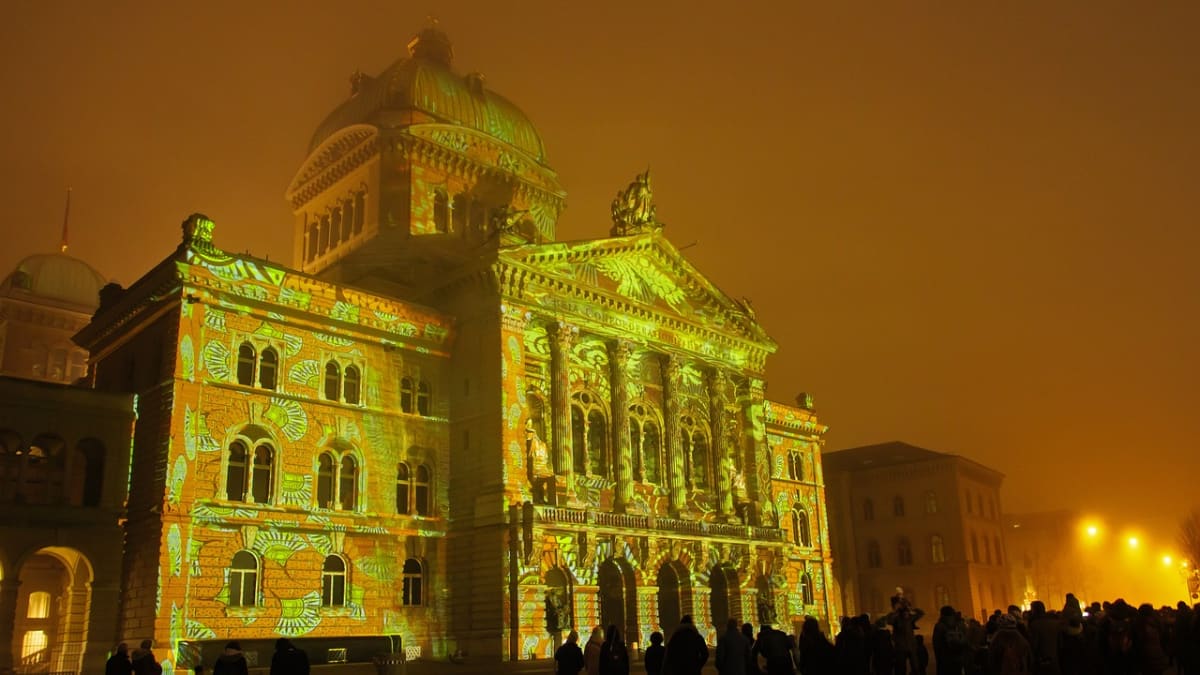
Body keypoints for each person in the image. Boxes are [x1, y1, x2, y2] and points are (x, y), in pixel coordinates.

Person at [933, 605, 969, 675]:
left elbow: (936, 644)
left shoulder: (939, 625)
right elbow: (966, 638)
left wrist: (938, 659)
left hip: (945, 658)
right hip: (958, 657)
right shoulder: (959, 624)